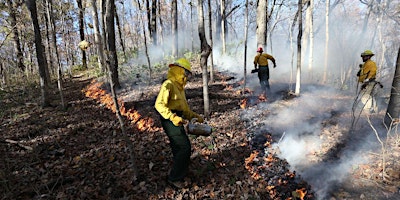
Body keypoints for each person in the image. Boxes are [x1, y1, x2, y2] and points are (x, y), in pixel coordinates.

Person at [154, 58, 204, 189]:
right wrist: (172, 117)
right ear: (179, 70)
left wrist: (196, 117)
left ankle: (181, 169)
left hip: (177, 118)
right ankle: (175, 177)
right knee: (184, 147)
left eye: (188, 74)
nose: (187, 76)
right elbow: (159, 104)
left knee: (178, 147)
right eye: (186, 73)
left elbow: (184, 110)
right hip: (169, 119)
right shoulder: (168, 84)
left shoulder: (180, 88)